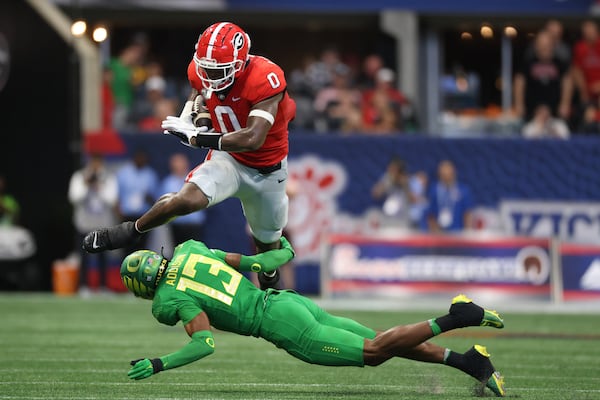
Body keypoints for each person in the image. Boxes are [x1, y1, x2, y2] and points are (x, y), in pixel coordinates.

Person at [118, 237, 506, 397]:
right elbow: (257, 261)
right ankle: (470, 361)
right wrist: (284, 251)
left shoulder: (167, 299)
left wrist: (158, 363)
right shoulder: (189, 249)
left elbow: (204, 343)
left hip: (283, 326)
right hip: (288, 301)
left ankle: (456, 316)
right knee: (386, 343)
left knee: (373, 351)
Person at [83, 22, 296, 291]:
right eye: (205, 68)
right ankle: (128, 231)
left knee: (267, 247)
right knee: (185, 200)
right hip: (228, 159)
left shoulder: (265, 77)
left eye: (216, 71)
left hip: (267, 170)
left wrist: (198, 137)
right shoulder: (200, 70)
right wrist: (199, 113)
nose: (209, 75)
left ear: (240, 64)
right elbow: (200, 92)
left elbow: (253, 139)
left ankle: (270, 286)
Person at [68, 153, 119, 293]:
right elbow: (74, 198)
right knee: (83, 256)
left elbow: (111, 199)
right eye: (93, 163)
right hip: (84, 224)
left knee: (103, 257)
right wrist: (86, 184)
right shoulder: (79, 177)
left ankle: (103, 286)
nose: (95, 167)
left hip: (103, 225)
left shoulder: (108, 178)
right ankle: (84, 286)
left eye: (98, 163)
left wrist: (99, 186)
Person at [115, 148, 159, 255]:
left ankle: (139, 271)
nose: (141, 160)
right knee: (127, 247)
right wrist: (118, 214)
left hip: (144, 216)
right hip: (127, 216)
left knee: (141, 248)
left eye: (143, 159)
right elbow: (117, 196)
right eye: (139, 158)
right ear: (134, 158)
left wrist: (149, 198)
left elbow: (156, 199)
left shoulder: (150, 175)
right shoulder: (123, 173)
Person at [160, 153, 206, 247]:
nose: (180, 166)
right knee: (179, 252)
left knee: (195, 251)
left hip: (194, 224)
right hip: (178, 224)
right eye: (177, 164)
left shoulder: (196, 179)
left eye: (182, 163)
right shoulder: (168, 183)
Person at [426, 160, 473, 233]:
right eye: (443, 175)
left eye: (448, 174)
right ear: (439, 174)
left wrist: (468, 232)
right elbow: (431, 214)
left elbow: (467, 213)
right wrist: (433, 231)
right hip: (439, 233)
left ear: (453, 173)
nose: (446, 177)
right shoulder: (434, 190)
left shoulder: (463, 190)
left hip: (458, 232)